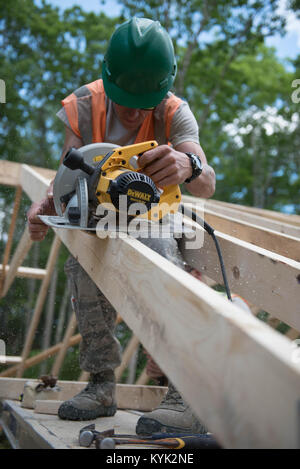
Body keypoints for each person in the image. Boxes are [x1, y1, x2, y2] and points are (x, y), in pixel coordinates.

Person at [27, 17, 216, 435]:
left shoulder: (174, 111)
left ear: (163, 87)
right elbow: (66, 177)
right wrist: (47, 204)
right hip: (97, 214)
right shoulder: (81, 104)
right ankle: (100, 386)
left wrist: (190, 164)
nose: (133, 110)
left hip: (154, 214)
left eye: (143, 101)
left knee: (159, 255)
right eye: (125, 99)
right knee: (81, 266)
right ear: (108, 77)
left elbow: (208, 184)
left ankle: (181, 393)